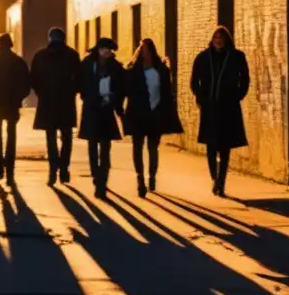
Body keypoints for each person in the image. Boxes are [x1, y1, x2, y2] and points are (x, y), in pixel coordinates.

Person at [190, 26, 250, 197]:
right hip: (209, 108)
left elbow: (245, 80)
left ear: (226, 40)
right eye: (216, 37)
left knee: (224, 147)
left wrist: (237, 96)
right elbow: (195, 81)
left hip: (228, 108)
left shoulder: (237, 57)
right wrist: (200, 98)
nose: (218, 40)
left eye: (221, 37)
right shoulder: (203, 58)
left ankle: (221, 182)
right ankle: (214, 177)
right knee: (211, 147)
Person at [123, 38, 183, 197]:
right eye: (142, 50)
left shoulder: (161, 70)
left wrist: (167, 113)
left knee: (152, 148)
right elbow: (126, 91)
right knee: (137, 148)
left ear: (152, 51)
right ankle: (140, 180)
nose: (145, 53)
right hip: (137, 115)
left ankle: (152, 177)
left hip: (155, 115)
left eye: (147, 50)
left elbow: (167, 93)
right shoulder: (133, 71)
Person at [31, 27, 82, 187]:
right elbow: (79, 78)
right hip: (66, 102)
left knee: (51, 138)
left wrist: (41, 93)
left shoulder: (40, 56)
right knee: (67, 137)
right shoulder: (72, 55)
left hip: (48, 101)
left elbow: (34, 78)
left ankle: (53, 170)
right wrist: (72, 91)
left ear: (49, 38)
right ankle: (64, 168)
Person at [79, 37, 126, 199]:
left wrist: (114, 102)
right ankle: (95, 174)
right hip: (92, 108)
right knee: (92, 146)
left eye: (109, 50)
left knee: (105, 149)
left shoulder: (115, 67)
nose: (107, 52)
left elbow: (121, 88)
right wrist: (88, 96)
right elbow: (81, 83)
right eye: (105, 49)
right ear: (98, 50)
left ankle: (102, 182)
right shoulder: (87, 64)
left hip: (106, 110)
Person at [0, 33, 31, 185]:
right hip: (12, 104)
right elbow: (26, 84)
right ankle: (10, 169)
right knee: (11, 136)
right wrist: (19, 98)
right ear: (10, 44)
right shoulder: (18, 62)